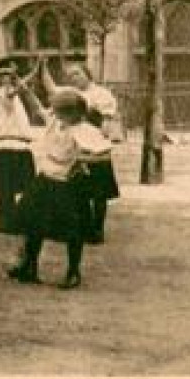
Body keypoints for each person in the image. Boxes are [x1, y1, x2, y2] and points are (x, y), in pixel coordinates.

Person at [7, 84, 107, 288]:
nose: (57, 114)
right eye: (57, 111)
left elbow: (103, 154)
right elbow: (37, 108)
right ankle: (30, 266)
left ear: (76, 113)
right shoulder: (55, 122)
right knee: (33, 224)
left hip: (67, 184)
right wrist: (25, 89)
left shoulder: (84, 130)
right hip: (45, 180)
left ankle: (73, 272)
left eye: (62, 112)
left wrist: (81, 160)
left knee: (73, 230)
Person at [64, 63, 122, 244]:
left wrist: (85, 110)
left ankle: (98, 229)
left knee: (99, 194)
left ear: (87, 74)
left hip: (97, 147)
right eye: (70, 75)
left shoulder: (101, 94)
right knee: (79, 193)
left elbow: (106, 119)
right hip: (79, 149)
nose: (74, 78)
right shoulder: (71, 95)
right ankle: (85, 227)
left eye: (77, 73)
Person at [0, 61, 39, 234]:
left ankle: (15, 220)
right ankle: (8, 222)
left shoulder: (12, 94)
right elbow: (18, 88)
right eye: (7, 73)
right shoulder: (3, 93)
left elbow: (20, 88)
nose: (11, 76)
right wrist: (34, 72)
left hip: (18, 145)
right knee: (7, 190)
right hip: (7, 145)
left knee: (22, 187)